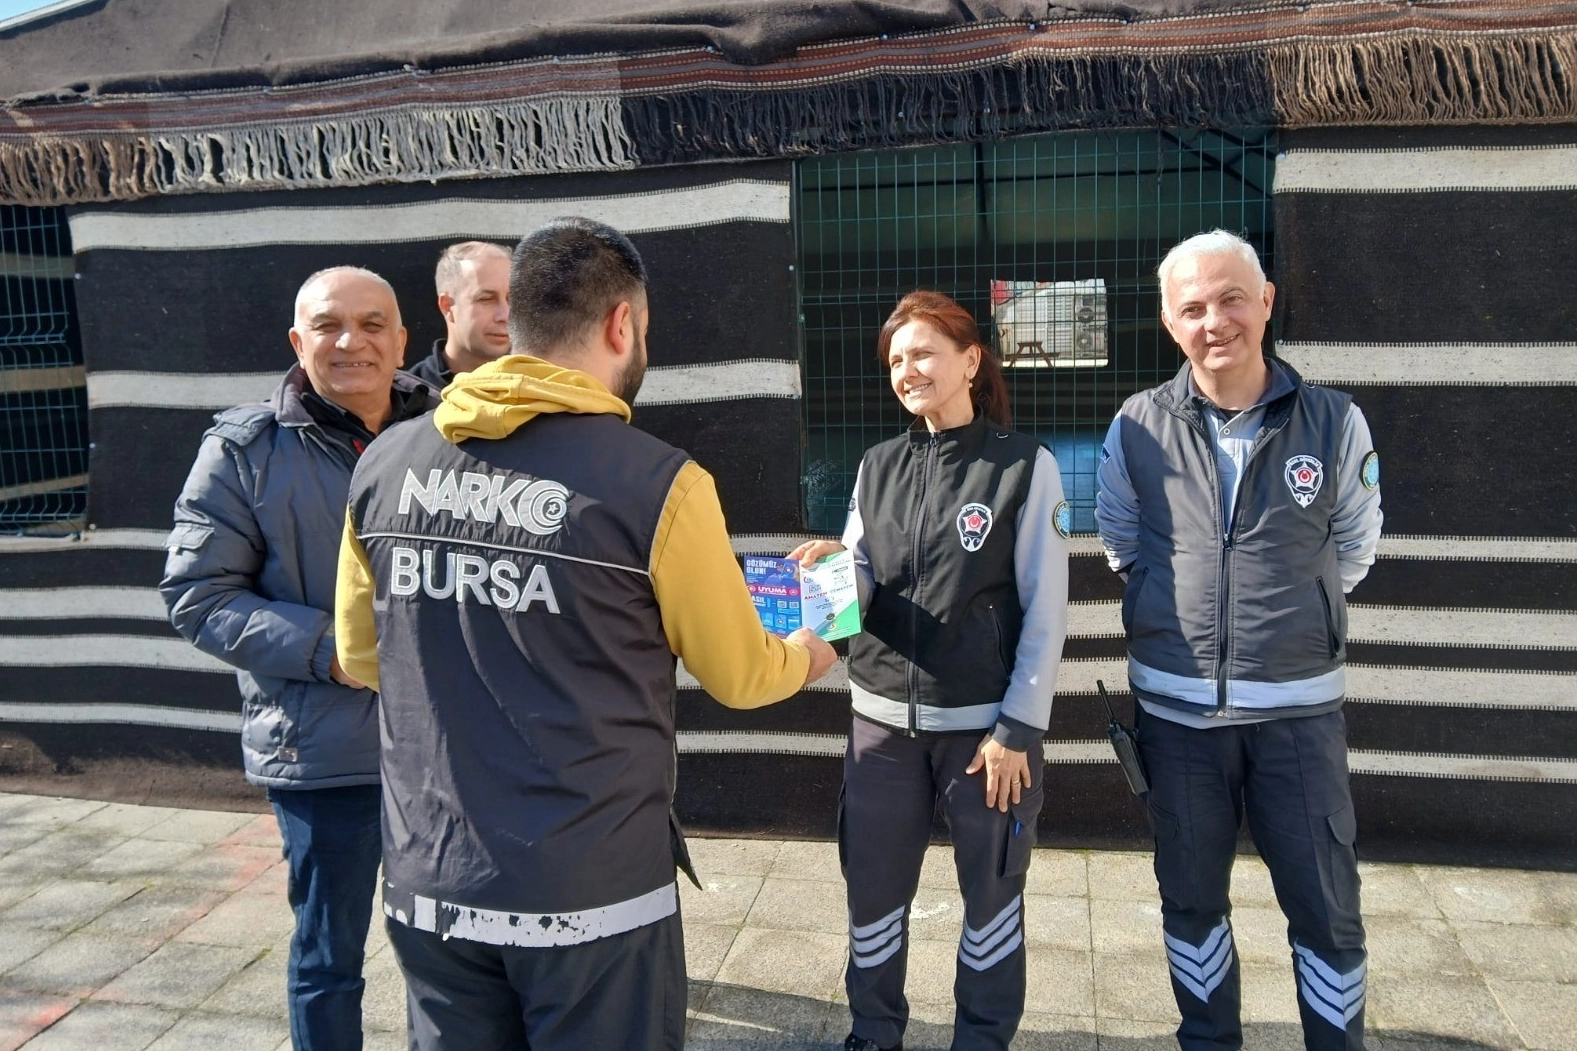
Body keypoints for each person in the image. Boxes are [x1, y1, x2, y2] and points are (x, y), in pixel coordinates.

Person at [334, 216, 839, 1051]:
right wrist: (819, 640)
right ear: (621, 323)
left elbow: (361, 655)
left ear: (518, 321)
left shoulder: (384, 462)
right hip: (591, 893)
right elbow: (743, 675)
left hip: (432, 877)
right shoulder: (660, 484)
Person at [1095, 229, 1383, 1051]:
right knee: (1190, 902)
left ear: (1265, 301)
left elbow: (1353, 548)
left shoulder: (1334, 421)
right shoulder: (1136, 425)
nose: (1213, 320)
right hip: (1176, 719)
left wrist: (1285, 616)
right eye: (1191, 307)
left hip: (1297, 716)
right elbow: (1122, 543)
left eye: (1230, 299)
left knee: (1325, 908)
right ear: (1168, 322)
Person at [161, 267, 438, 1051]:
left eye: (372, 324)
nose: (352, 341)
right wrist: (332, 651)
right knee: (328, 959)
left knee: (450, 954)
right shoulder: (245, 451)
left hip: (444, 750)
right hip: (325, 753)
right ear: (297, 339)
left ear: (401, 340)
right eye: (328, 325)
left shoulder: (449, 430)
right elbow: (198, 596)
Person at [791, 290, 1069, 1051]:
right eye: (895, 361)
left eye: (922, 354)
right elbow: (861, 583)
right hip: (880, 728)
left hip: (986, 739)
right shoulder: (878, 464)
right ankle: (873, 1031)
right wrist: (830, 578)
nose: (906, 371)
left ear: (970, 361)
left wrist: (1018, 728)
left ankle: (981, 1037)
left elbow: (1047, 610)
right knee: (873, 893)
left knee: (991, 901)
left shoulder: (1023, 466)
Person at [404, 240, 512, 388]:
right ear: (447, 306)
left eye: (513, 299)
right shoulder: (408, 395)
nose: (505, 315)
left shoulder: (539, 387)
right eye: (486, 299)